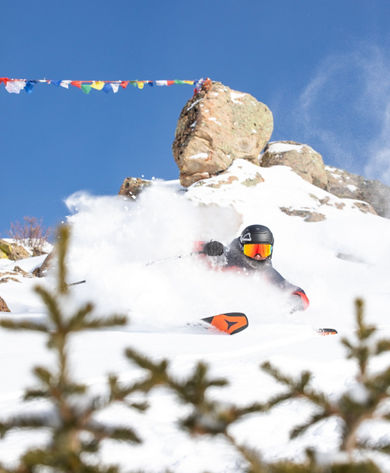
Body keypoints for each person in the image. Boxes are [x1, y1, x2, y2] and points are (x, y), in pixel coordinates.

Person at [197, 224, 309, 313]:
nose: (258, 256)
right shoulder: (227, 258)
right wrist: (207, 248)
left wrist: (295, 301)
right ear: (241, 248)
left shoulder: (265, 272)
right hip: (201, 303)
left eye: (263, 251)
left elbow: (298, 294)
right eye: (252, 250)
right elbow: (192, 248)